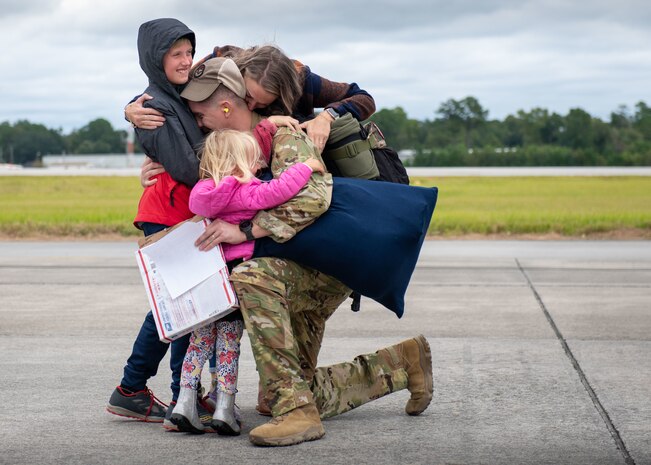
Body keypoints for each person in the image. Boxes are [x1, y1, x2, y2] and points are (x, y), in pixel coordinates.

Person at [179, 58, 434, 447]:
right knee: (285, 391)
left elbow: (314, 197)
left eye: (200, 114)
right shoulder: (236, 148)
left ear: (226, 107)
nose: (198, 123)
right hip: (294, 267)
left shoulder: (285, 138)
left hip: (323, 266)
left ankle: (297, 415)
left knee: (251, 277)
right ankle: (402, 364)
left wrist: (243, 230)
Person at [171, 126, 325, 435]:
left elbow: (196, 204)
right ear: (239, 164)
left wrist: (225, 179)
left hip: (210, 280)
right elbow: (280, 190)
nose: (259, 167)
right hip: (237, 280)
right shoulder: (247, 192)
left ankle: (185, 401)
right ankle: (225, 408)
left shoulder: (203, 192)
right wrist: (307, 166)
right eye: (253, 161)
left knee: (200, 340)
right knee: (229, 344)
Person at [126, 43, 375, 154]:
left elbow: (363, 97)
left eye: (263, 103)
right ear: (239, 72)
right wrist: (132, 108)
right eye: (248, 95)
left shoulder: (302, 79)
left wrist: (327, 117)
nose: (251, 106)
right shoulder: (219, 63)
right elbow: (171, 86)